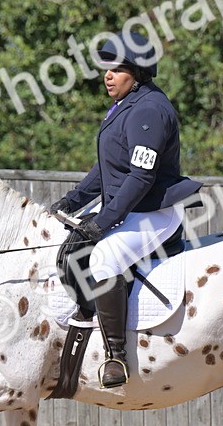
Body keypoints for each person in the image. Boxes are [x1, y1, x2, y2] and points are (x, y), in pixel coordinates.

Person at [49, 31, 201, 388]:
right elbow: (107, 168)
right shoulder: (125, 104)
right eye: (107, 68)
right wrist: (71, 202)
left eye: (117, 69)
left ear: (137, 71)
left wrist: (102, 222)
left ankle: (116, 356)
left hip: (152, 212)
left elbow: (140, 178)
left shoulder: (148, 110)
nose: (108, 75)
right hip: (127, 207)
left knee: (103, 258)